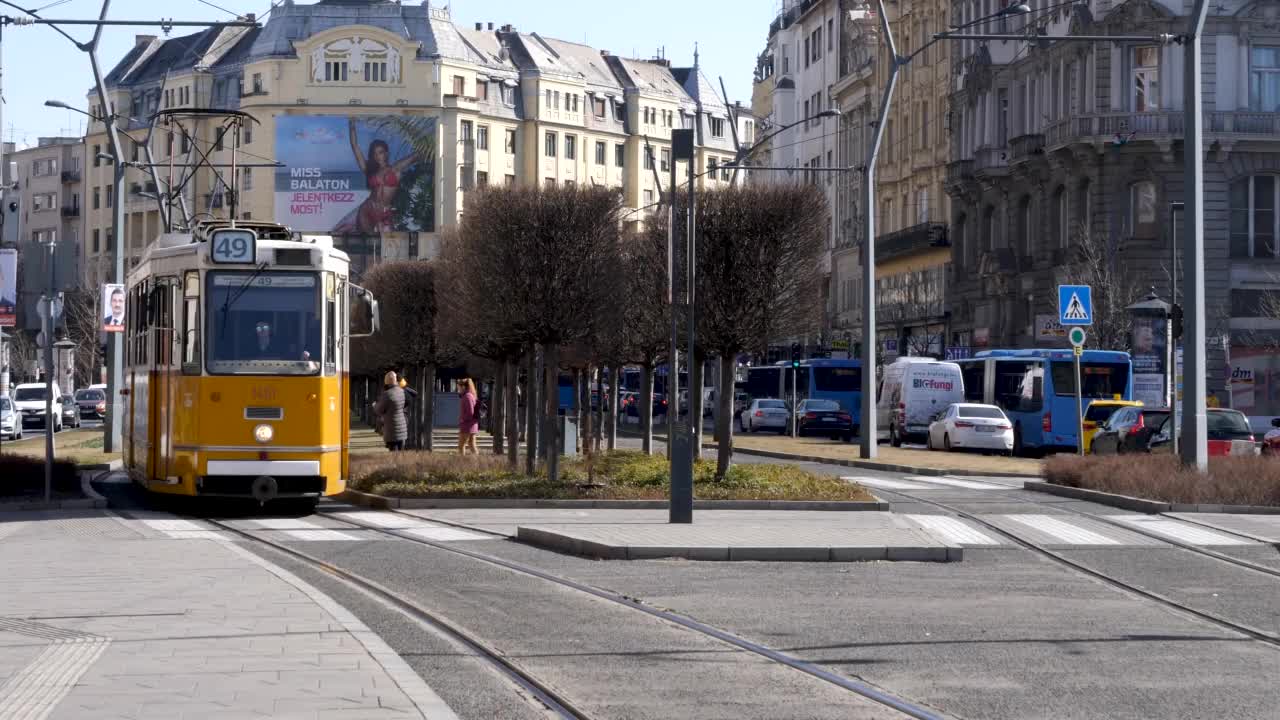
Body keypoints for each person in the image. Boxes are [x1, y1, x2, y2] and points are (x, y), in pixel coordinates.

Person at [336, 118, 423, 235]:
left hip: (384, 213)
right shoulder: (370, 170)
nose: (377, 156)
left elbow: (416, 156)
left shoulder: (395, 169)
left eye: (380, 152)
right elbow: (355, 146)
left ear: (386, 153)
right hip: (367, 210)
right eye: (375, 153)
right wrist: (352, 125)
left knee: (387, 245)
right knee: (365, 243)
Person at [374, 370, 408, 451]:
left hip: (392, 430)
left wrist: (375, 405)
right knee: (400, 455)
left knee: (394, 456)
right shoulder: (401, 391)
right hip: (402, 429)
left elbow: (379, 410)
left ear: (386, 382)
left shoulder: (387, 394)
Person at [458, 378, 479, 455]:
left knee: (461, 446)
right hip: (472, 425)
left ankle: (461, 463)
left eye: (459, 386)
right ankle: (476, 463)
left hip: (467, 425)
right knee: (471, 445)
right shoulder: (470, 395)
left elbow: (470, 413)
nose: (458, 388)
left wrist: (462, 419)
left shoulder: (467, 396)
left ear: (463, 386)